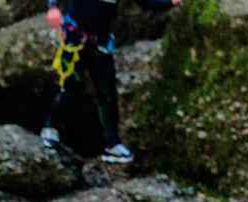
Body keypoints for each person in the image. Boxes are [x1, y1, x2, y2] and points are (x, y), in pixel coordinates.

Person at [41, 0, 182, 165]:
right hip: (75, 38)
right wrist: (53, 7)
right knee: (70, 87)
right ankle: (50, 127)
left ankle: (113, 144)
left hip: (101, 43)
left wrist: (171, 2)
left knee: (107, 94)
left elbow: (146, 2)